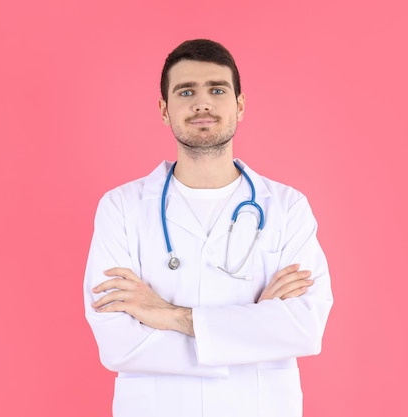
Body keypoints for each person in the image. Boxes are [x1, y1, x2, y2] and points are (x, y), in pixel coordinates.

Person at [83, 39, 333, 417]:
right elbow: (118, 343)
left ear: (240, 105)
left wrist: (169, 315)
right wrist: (252, 329)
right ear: (165, 110)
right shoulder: (121, 207)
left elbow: (304, 327)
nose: (202, 103)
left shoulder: (286, 207)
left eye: (217, 89)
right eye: (186, 91)